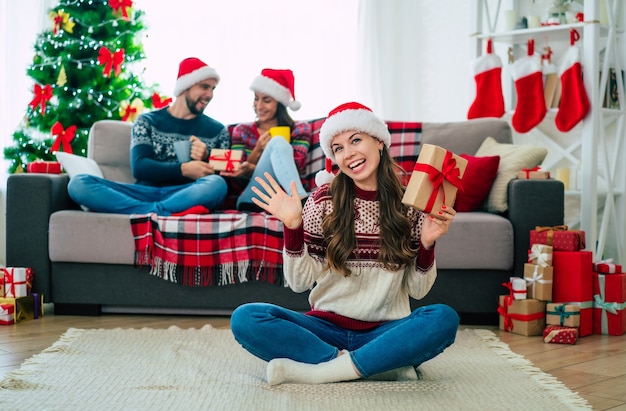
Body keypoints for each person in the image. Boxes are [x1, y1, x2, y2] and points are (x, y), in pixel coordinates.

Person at [230, 102, 460, 386]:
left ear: (378, 141)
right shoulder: (322, 200)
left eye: (355, 140)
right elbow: (300, 283)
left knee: (443, 318)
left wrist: (426, 243)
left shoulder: (409, 204)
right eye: (338, 148)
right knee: (247, 317)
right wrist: (293, 227)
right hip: (325, 328)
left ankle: (322, 371)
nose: (348, 153)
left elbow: (417, 290)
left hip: (386, 330)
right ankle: (378, 365)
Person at [67, 57, 230, 216]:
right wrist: (184, 169)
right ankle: (158, 212)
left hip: (185, 194)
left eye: (212, 89)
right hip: (141, 193)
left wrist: (207, 157)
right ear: (185, 86)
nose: (210, 95)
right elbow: (140, 167)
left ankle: (145, 213)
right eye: (204, 87)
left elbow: (224, 179)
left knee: (217, 184)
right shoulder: (147, 121)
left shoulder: (218, 131)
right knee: (78, 183)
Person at [221, 68, 311, 211]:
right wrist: (257, 151)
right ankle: (302, 202)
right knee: (277, 142)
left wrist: (257, 165)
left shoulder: (300, 129)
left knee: (278, 142)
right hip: (253, 197)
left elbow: (296, 166)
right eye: (256, 98)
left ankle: (299, 201)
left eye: (267, 100)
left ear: (280, 103)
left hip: (285, 194)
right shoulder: (242, 131)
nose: (259, 106)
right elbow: (237, 180)